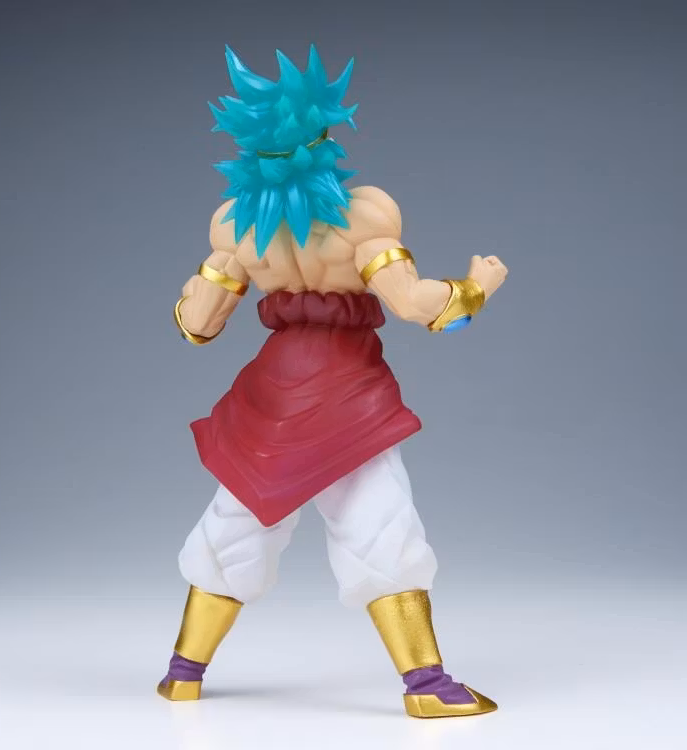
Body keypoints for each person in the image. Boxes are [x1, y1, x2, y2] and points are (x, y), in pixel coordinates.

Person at [157, 45, 508, 719]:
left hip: (272, 391)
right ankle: (426, 685)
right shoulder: (362, 214)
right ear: (324, 136)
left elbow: (197, 327)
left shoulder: (234, 223)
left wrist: (196, 293)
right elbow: (415, 305)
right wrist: (475, 289)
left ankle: (183, 674)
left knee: (237, 521)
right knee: (378, 524)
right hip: (346, 391)